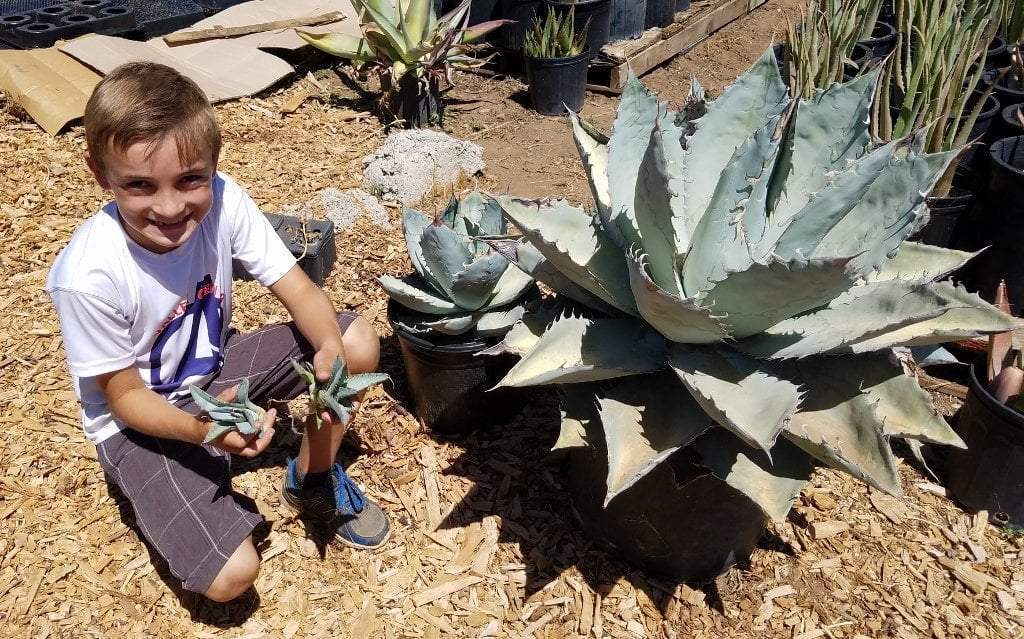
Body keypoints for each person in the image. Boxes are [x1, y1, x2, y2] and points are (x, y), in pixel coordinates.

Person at [44, 62, 390, 603]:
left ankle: (313, 476)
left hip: (212, 368)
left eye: (190, 180)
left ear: (213, 165)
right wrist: (205, 430)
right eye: (139, 185)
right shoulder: (89, 276)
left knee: (354, 342)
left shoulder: (225, 201)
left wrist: (326, 349)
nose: (169, 207)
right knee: (232, 577)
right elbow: (127, 399)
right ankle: (158, 476)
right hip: (140, 421)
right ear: (100, 175)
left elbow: (298, 289)